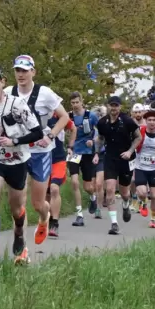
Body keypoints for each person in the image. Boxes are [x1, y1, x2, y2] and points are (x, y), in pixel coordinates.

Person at [0, 67, 44, 265]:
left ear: (3, 82)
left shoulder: (17, 104)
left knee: (17, 208)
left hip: (17, 159)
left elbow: (37, 133)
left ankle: (19, 234)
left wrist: (14, 141)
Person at [8, 54, 69, 245]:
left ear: (33, 72)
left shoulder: (45, 93)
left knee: (37, 203)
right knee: (18, 203)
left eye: (25, 70)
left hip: (40, 153)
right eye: (18, 70)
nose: (21, 74)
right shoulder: (8, 92)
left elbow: (64, 117)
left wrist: (50, 136)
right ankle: (20, 243)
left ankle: (45, 217)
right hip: (18, 152)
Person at [95, 95, 141, 235]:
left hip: (125, 158)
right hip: (110, 158)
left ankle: (126, 204)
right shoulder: (102, 122)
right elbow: (101, 138)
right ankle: (114, 223)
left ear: (120, 107)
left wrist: (130, 151)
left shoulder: (127, 121)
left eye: (116, 105)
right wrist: (97, 152)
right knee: (109, 189)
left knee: (125, 192)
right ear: (108, 106)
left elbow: (138, 137)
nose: (113, 108)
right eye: (111, 105)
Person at [67, 92, 99, 227]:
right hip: (74, 152)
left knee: (87, 186)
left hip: (87, 153)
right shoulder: (69, 117)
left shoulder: (91, 116)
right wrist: (68, 146)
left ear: (81, 101)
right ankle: (79, 214)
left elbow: (100, 133)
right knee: (74, 182)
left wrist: (93, 140)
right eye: (72, 103)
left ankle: (93, 197)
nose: (75, 105)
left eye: (76, 102)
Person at [47, 113, 75, 238]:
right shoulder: (34, 110)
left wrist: (70, 146)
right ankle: (46, 219)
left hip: (58, 159)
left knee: (54, 188)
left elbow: (73, 129)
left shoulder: (59, 114)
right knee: (45, 194)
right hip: (41, 159)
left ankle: (55, 222)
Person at [92, 105, 107, 219]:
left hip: (102, 155)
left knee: (99, 184)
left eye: (101, 114)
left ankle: (98, 208)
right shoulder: (90, 126)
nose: (99, 117)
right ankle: (93, 198)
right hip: (89, 156)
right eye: (97, 114)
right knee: (91, 185)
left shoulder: (105, 127)